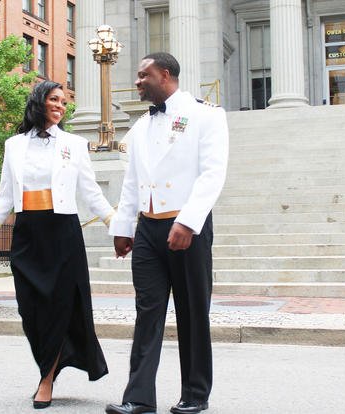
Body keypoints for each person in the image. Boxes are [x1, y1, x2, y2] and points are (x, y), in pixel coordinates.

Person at [0, 80, 113, 410]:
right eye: (54, 99)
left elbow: (91, 193)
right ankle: (52, 360)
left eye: (64, 101)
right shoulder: (14, 145)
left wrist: (116, 226)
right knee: (30, 309)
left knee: (61, 308)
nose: (61, 105)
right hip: (28, 233)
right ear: (39, 102)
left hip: (62, 231)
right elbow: (5, 197)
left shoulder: (75, 144)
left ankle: (45, 378)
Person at [105, 53, 229, 414]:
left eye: (143, 75)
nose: (138, 81)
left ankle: (194, 395)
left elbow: (212, 173)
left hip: (187, 227)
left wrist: (188, 221)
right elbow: (132, 182)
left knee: (192, 313)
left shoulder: (207, 115)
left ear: (165, 74)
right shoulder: (141, 126)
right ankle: (138, 398)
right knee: (147, 313)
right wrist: (123, 228)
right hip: (148, 227)